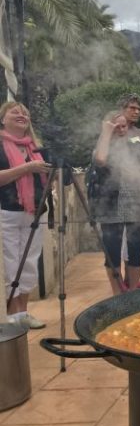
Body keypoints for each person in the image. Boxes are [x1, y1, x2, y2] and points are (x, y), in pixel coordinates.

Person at [0, 102, 50, 328]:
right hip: (6, 212)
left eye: (24, 113)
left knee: (29, 262)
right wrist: (27, 168)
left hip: (33, 212)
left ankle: (23, 312)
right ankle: (11, 315)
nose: (21, 115)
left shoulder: (34, 147)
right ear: (3, 119)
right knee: (10, 263)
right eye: (15, 112)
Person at [91, 111, 140, 295]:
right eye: (115, 126)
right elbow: (100, 160)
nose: (120, 129)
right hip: (110, 207)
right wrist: (106, 132)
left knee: (136, 249)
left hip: (137, 204)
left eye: (123, 125)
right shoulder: (102, 147)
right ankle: (117, 294)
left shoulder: (137, 146)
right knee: (112, 251)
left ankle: (132, 291)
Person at [119, 93, 140, 160]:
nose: (137, 112)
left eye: (139, 109)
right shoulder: (112, 130)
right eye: (132, 108)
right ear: (122, 109)